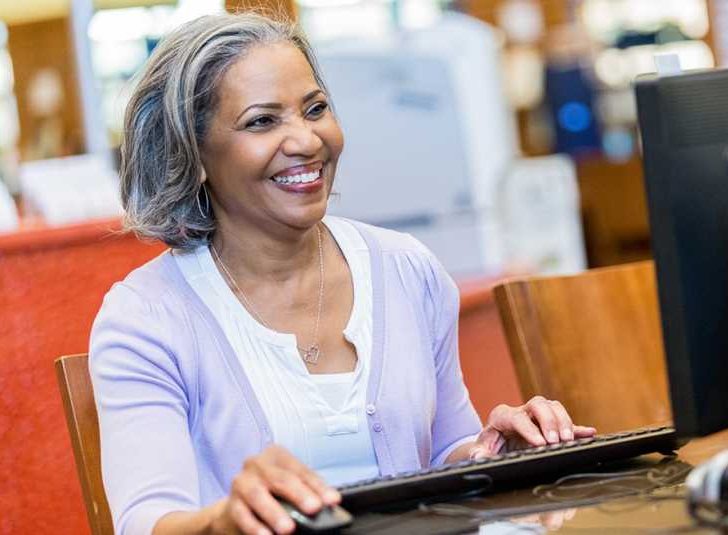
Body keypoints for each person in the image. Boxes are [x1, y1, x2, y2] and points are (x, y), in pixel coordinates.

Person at [90, 12, 595, 535]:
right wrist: (225, 521)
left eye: (315, 109)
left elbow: (447, 451)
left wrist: (494, 455)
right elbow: (147, 523)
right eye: (262, 121)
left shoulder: (406, 269)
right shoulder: (147, 317)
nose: (307, 140)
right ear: (192, 154)